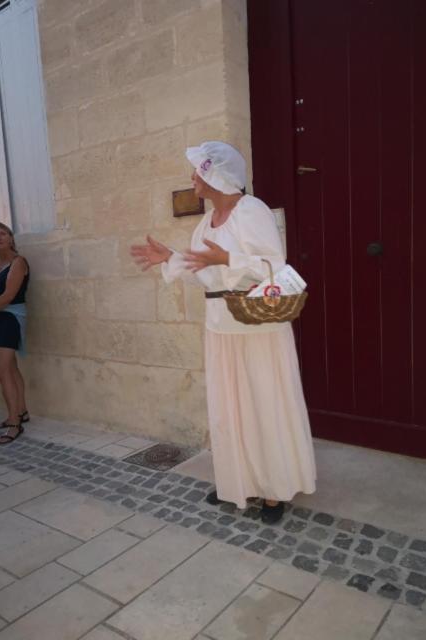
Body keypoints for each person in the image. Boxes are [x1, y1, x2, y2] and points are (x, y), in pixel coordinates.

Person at [131, 141, 316, 524]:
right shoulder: (206, 221)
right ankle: (237, 480)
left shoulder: (252, 210)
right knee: (228, 407)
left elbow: (273, 265)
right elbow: (204, 267)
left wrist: (227, 258)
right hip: (220, 323)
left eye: (197, 170)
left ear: (215, 174)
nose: (192, 178)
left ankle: (272, 489)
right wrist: (170, 258)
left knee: (264, 403)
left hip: (257, 325)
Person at [0, 222, 30, 445]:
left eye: (2, 233)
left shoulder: (18, 262)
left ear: (11, 238)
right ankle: (21, 411)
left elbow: (8, 296)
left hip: (10, 319)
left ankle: (14, 423)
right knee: (11, 368)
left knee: (1, 370)